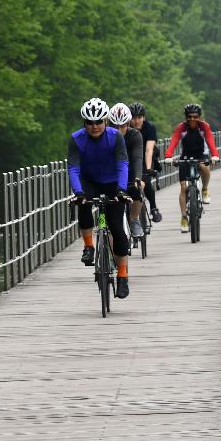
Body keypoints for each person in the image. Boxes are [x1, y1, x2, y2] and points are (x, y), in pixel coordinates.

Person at [67, 98, 132, 298]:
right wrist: (78, 193)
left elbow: (122, 164)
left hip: (113, 182)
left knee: (117, 229)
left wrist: (121, 190)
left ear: (105, 121)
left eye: (98, 122)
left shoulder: (115, 137)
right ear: (84, 123)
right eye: (89, 122)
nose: (94, 126)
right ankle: (88, 246)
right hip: (90, 181)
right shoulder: (77, 139)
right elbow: (73, 167)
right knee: (83, 204)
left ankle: (122, 276)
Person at [163, 103, 220, 233]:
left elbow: (210, 141)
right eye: (189, 117)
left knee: (204, 167)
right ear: (186, 117)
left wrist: (215, 155)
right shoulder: (181, 128)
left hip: (201, 155)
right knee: (183, 187)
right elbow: (174, 142)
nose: (192, 120)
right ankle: (184, 217)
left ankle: (204, 189)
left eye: (195, 117)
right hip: (186, 157)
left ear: (199, 117)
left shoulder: (204, 126)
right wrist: (168, 156)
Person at [107, 103, 145, 239]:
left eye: (122, 126)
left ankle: (134, 219)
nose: (118, 130)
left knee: (137, 189)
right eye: (114, 127)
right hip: (109, 174)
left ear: (128, 124)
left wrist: (138, 178)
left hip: (129, 171)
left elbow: (137, 158)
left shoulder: (135, 135)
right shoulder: (103, 136)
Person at [128, 102, 163, 223]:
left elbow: (149, 150)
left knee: (145, 179)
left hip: (145, 158)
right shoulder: (125, 128)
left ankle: (153, 207)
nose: (136, 121)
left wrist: (148, 168)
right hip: (129, 159)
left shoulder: (149, 128)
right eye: (133, 117)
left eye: (139, 117)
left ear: (144, 117)